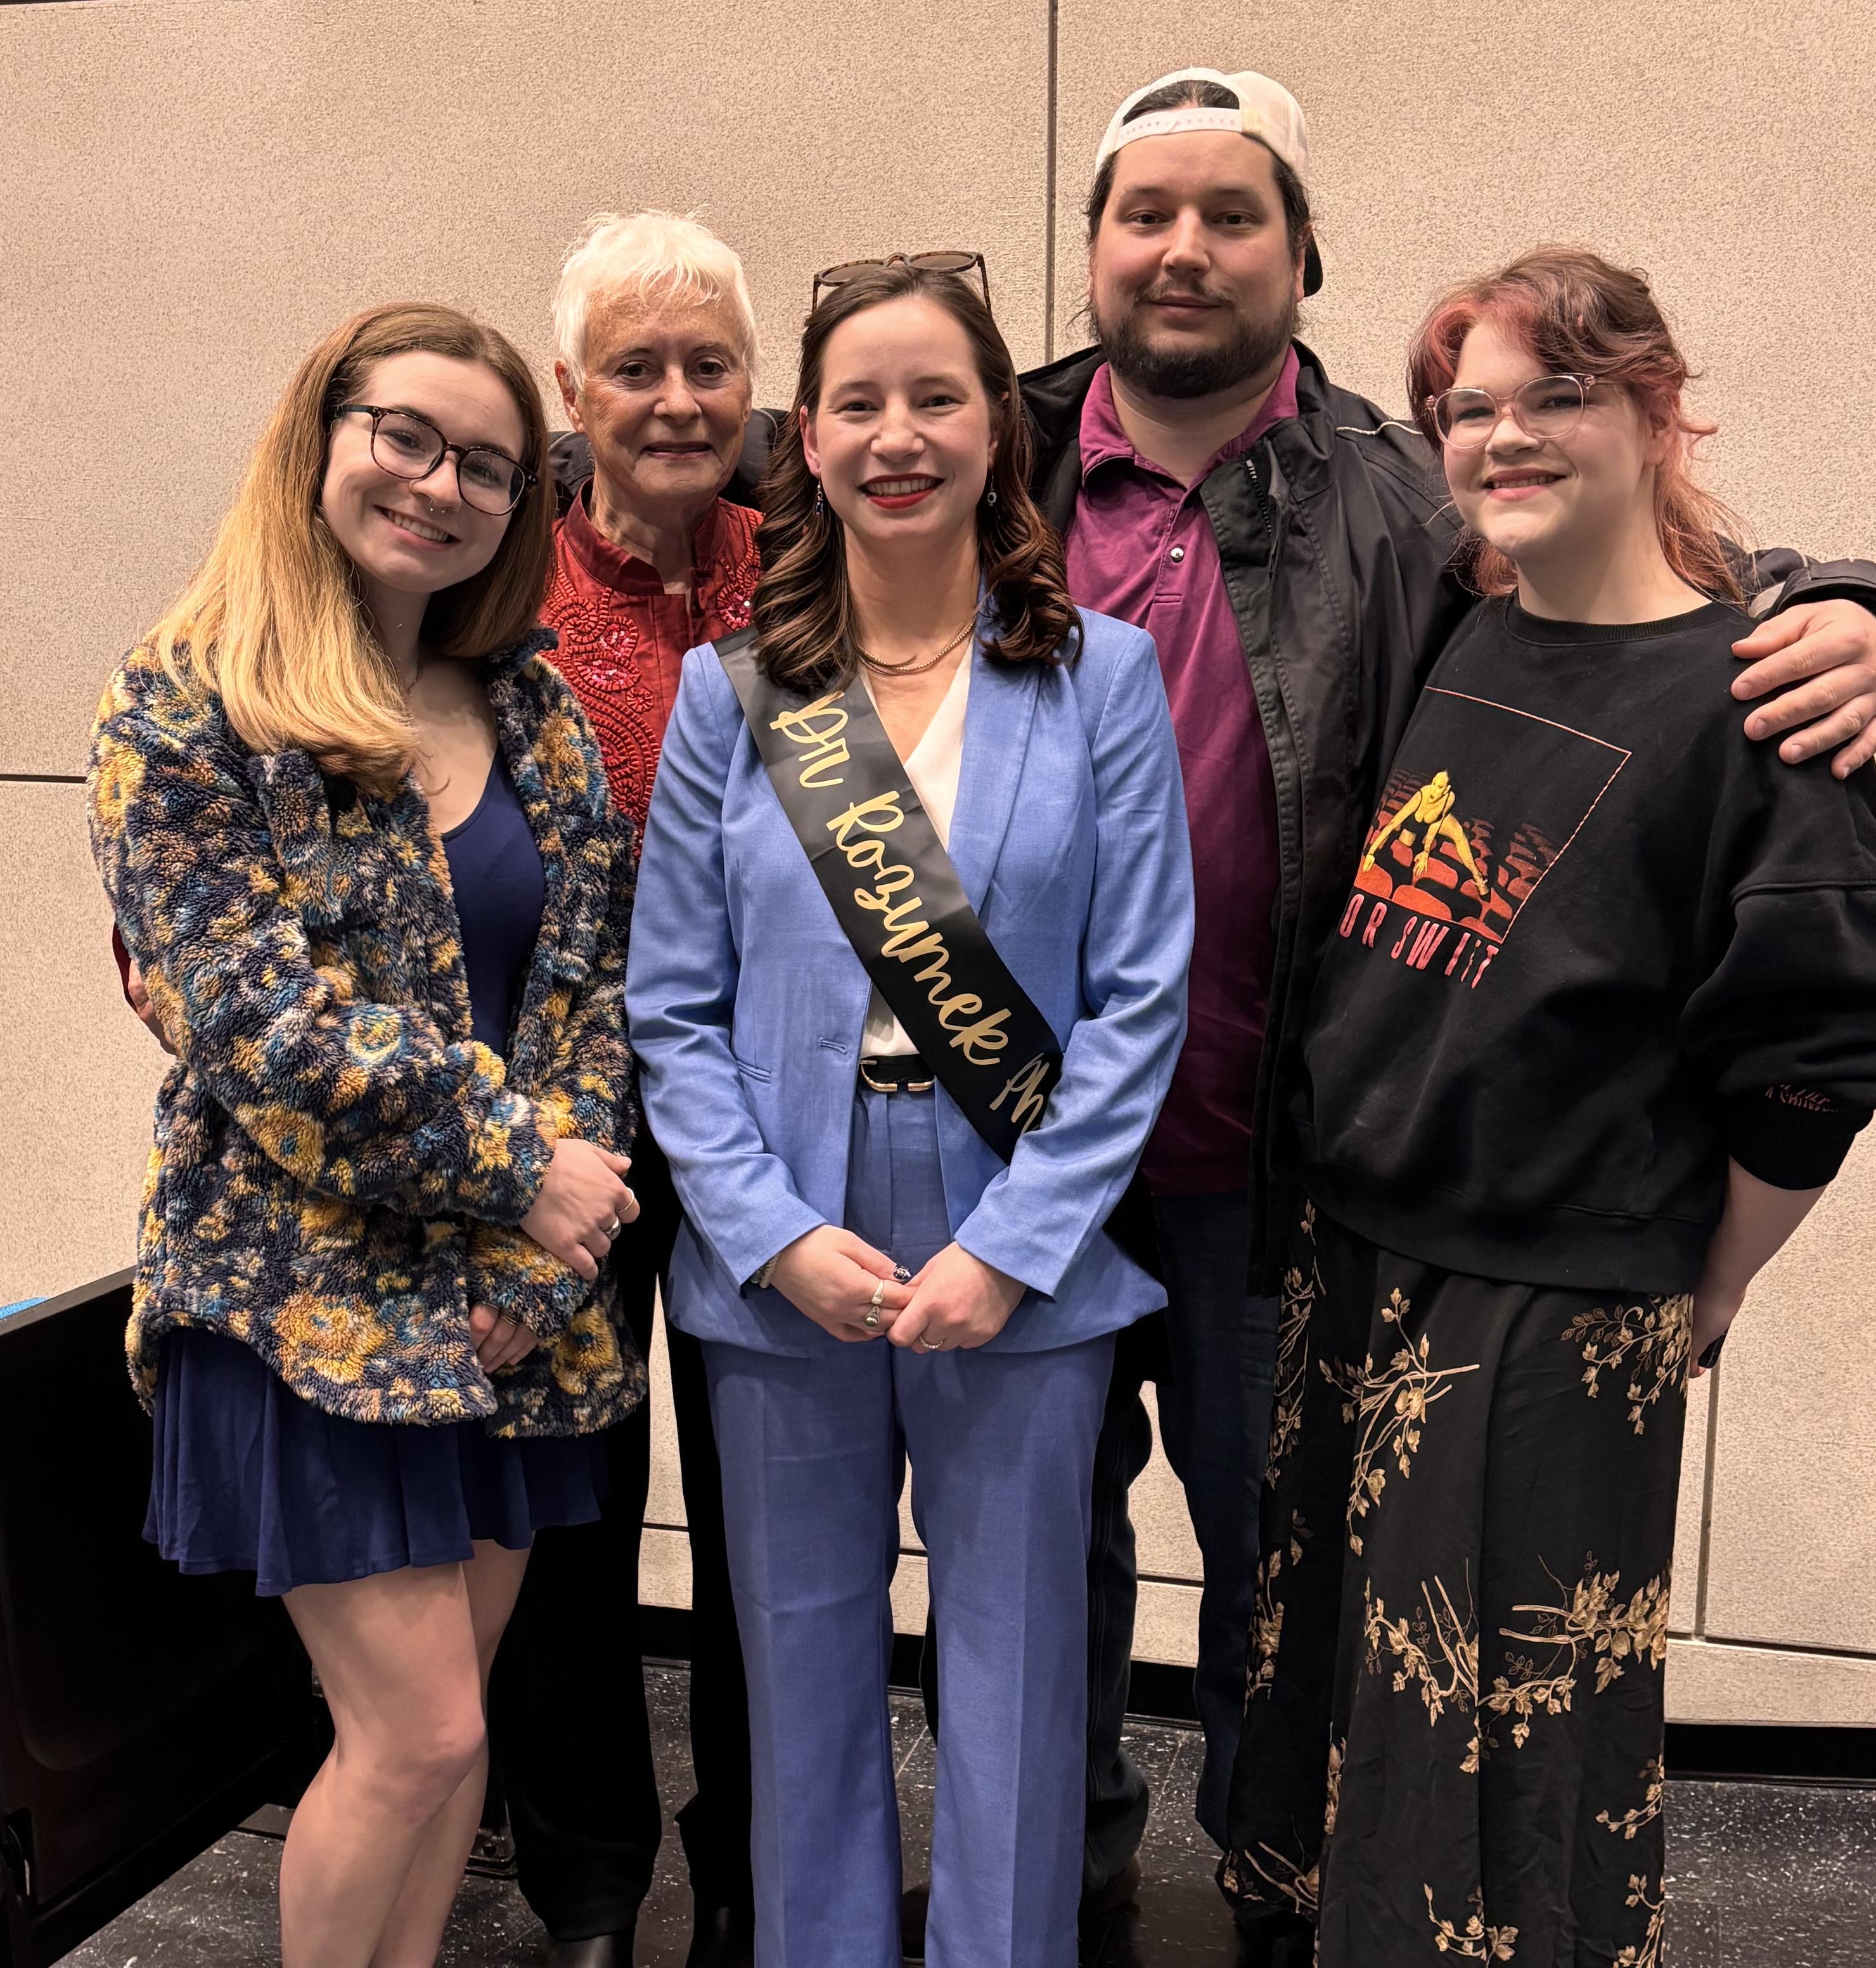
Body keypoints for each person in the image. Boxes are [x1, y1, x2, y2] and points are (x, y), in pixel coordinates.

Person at [1007, 66, 1876, 1921]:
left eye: (1233, 214)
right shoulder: (997, 457)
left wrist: (1862, 612)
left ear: (1300, 256)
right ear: (1094, 247)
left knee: (1460, 1707)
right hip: (1071, 1166)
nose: (1183, 249)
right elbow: (723, 433)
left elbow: (1690, 649)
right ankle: (1093, 1894)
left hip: (1301, 1199)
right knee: (1236, 1636)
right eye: (1145, 211)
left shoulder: (1388, 501)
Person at [1219, 245, 1876, 1965]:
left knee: (1501, 1769)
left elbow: (1820, 1050)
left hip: (1547, 1300)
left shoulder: (1756, 697)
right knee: (1335, 1726)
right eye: (1468, 409)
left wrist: (1714, 1274)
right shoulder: (1469, 623)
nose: (1503, 437)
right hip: (1361, 1263)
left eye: (1555, 394)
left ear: (1659, 408)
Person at [627, 262, 1193, 1968]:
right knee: (796, 1657)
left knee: (1018, 1662)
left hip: (1016, 1226)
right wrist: (771, 1233)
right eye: (855, 403)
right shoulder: (734, 698)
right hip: (780, 1234)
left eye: (934, 398)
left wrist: (1012, 1251)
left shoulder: (1099, 677)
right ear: (805, 439)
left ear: (994, 430)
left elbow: (1139, 992)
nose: (895, 437)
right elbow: (672, 1002)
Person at [87, 302, 645, 1968]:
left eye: (484, 460)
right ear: (321, 430)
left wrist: (541, 1260)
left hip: (501, 1310)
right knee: (418, 1737)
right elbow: (261, 1028)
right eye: (405, 432)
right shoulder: (189, 703)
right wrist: (517, 1173)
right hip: (295, 1306)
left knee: (445, 1731)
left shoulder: (531, 712)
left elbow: (587, 1002)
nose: (440, 482)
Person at [495, 209, 768, 1968]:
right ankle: (585, 1878)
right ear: (570, 392)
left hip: (773, 1127)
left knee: (769, 1526)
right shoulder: (492, 580)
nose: (674, 398)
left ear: (756, 392)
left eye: (709, 366)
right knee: (570, 1517)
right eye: (636, 367)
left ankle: (756, 1860)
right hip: (564, 1134)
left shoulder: (817, 562)